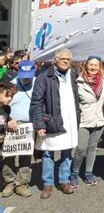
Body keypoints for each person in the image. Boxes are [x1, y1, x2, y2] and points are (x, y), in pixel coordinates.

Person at [30, 48, 80, 199]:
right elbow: (36, 102)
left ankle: (64, 181)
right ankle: (48, 184)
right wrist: (39, 124)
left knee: (67, 152)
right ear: (55, 60)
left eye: (68, 59)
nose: (65, 61)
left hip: (70, 120)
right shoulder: (44, 76)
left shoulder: (74, 75)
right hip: (51, 121)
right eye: (63, 58)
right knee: (48, 153)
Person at [70, 56, 104, 188]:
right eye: (90, 65)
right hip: (84, 119)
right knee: (80, 149)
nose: (93, 67)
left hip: (99, 120)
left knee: (92, 148)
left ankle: (88, 173)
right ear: (86, 66)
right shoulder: (78, 81)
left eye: (96, 65)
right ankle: (74, 173)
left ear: (100, 67)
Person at [2, 60, 36, 198]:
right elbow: (3, 103)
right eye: (23, 74)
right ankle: (9, 182)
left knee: (26, 156)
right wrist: (9, 119)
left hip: (29, 124)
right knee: (8, 155)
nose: (26, 78)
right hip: (11, 123)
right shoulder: (11, 84)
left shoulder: (38, 82)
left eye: (29, 74)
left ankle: (22, 183)